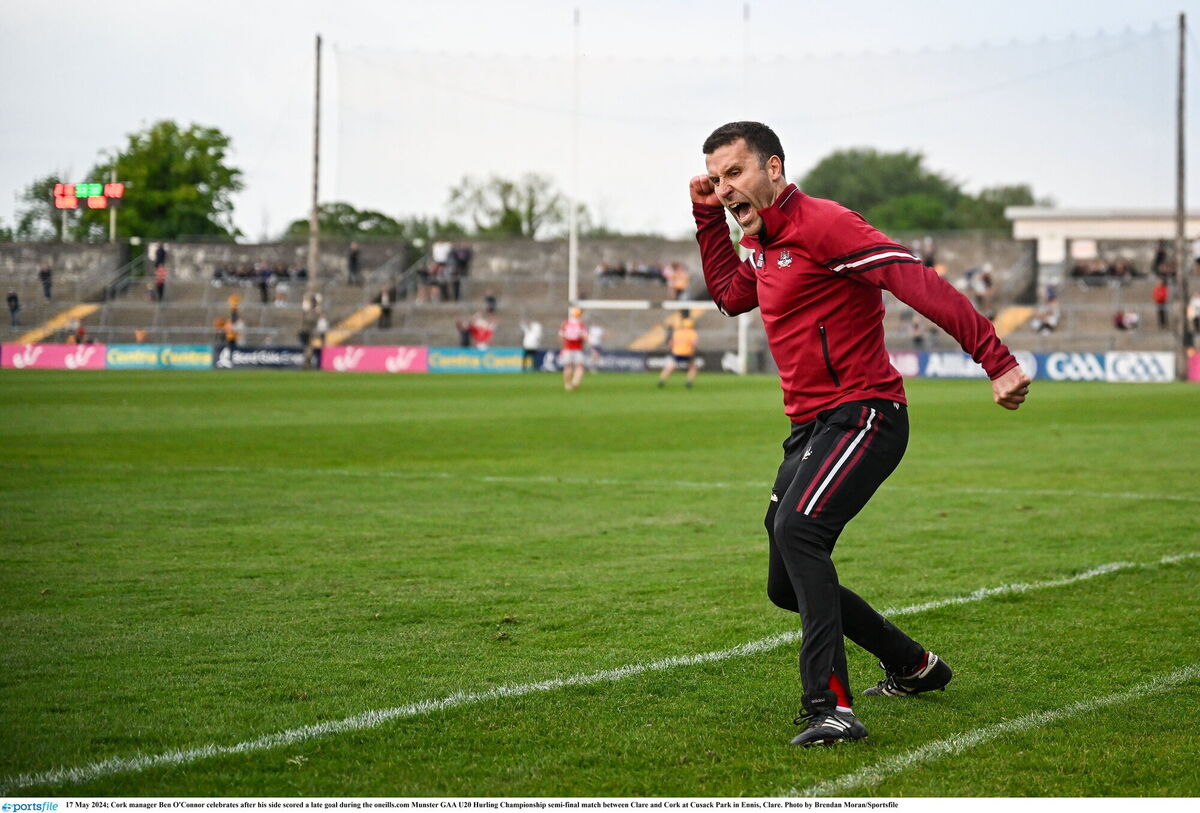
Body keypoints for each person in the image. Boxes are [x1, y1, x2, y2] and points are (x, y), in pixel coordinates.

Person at [691, 121, 1030, 748]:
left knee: (800, 531)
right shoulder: (762, 242)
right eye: (715, 179)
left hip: (866, 414)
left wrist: (997, 359)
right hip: (810, 427)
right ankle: (913, 665)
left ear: (773, 168)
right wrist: (709, 219)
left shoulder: (824, 225)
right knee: (783, 584)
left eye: (734, 173)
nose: (725, 187)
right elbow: (729, 297)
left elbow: (917, 282)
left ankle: (832, 708)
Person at [657, 315, 699, 388]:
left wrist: (670, 348)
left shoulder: (677, 332)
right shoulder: (692, 333)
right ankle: (689, 381)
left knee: (670, 367)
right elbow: (694, 344)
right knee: (693, 367)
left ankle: (662, 380)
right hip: (688, 353)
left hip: (677, 352)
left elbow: (670, 344)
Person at [559, 307, 588, 391]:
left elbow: (561, 337)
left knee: (567, 367)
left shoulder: (565, 324)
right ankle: (575, 381)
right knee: (579, 367)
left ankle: (567, 385)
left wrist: (563, 347)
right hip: (578, 349)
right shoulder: (581, 325)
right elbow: (584, 337)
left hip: (567, 348)